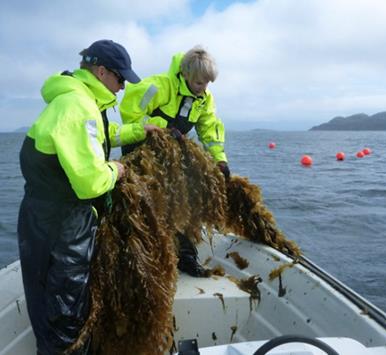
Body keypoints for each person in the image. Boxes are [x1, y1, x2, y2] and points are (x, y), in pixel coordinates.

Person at [17, 39, 159, 355]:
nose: (123, 87)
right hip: (62, 224)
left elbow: (103, 137)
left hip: (45, 215)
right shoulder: (78, 107)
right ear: (101, 71)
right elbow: (91, 183)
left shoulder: (81, 101)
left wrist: (141, 130)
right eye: (120, 79)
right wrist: (117, 170)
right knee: (64, 312)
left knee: (47, 297)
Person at [119, 45, 230, 277]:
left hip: (173, 156)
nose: (203, 89)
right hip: (143, 152)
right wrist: (163, 128)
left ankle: (186, 258)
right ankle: (139, 261)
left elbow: (209, 129)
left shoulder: (204, 99)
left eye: (207, 83)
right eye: (199, 83)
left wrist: (220, 160)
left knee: (183, 201)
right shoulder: (157, 86)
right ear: (186, 74)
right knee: (144, 205)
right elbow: (131, 114)